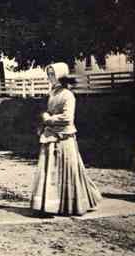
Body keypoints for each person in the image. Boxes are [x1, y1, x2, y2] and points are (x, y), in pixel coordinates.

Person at [31, 62, 102, 216]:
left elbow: (67, 118)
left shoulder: (68, 95)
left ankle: (71, 205)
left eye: (53, 74)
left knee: (69, 171)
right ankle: (51, 205)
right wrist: (43, 116)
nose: (50, 77)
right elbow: (44, 110)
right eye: (48, 74)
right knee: (51, 172)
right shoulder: (51, 93)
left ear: (60, 76)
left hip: (64, 138)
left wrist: (49, 120)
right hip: (50, 136)